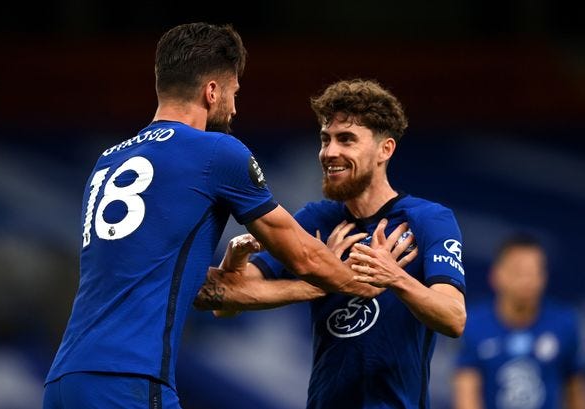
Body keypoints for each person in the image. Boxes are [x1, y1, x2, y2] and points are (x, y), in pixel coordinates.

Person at [42, 23, 396, 409]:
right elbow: (304, 256)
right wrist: (363, 281)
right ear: (212, 90)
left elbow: (151, 276)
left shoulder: (108, 161)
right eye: (233, 93)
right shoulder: (216, 152)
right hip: (128, 381)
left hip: (65, 381)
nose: (234, 107)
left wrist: (313, 288)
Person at [194, 79, 467, 408]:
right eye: (326, 139)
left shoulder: (428, 220)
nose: (330, 152)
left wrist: (393, 276)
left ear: (385, 149)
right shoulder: (314, 221)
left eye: (346, 140)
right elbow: (225, 306)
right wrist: (239, 263)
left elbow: (454, 318)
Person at [453, 234, 585, 409]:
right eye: (518, 271)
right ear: (496, 275)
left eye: (534, 272)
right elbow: (466, 393)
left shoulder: (563, 323)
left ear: (544, 277)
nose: (526, 280)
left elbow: (575, 392)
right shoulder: (474, 324)